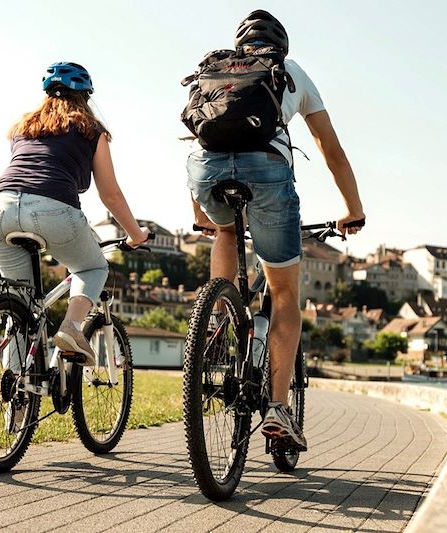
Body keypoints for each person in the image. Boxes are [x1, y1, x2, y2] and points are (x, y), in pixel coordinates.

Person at [187, 11, 365, 451]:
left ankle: (220, 312)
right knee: (284, 293)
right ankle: (278, 408)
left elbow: (196, 136)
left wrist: (201, 217)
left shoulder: (216, 68)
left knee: (226, 233)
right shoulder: (290, 73)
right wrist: (353, 209)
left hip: (204, 173)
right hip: (267, 172)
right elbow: (332, 152)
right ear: (280, 47)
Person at [0, 62, 149, 366]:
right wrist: (135, 234)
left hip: (0, 209)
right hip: (53, 209)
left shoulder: (22, 127)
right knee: (92, 269)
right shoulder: (92, 131)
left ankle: (17, 406)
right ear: (86, 97)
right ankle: (72, 327)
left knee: (19, 305)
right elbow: (110, 193)